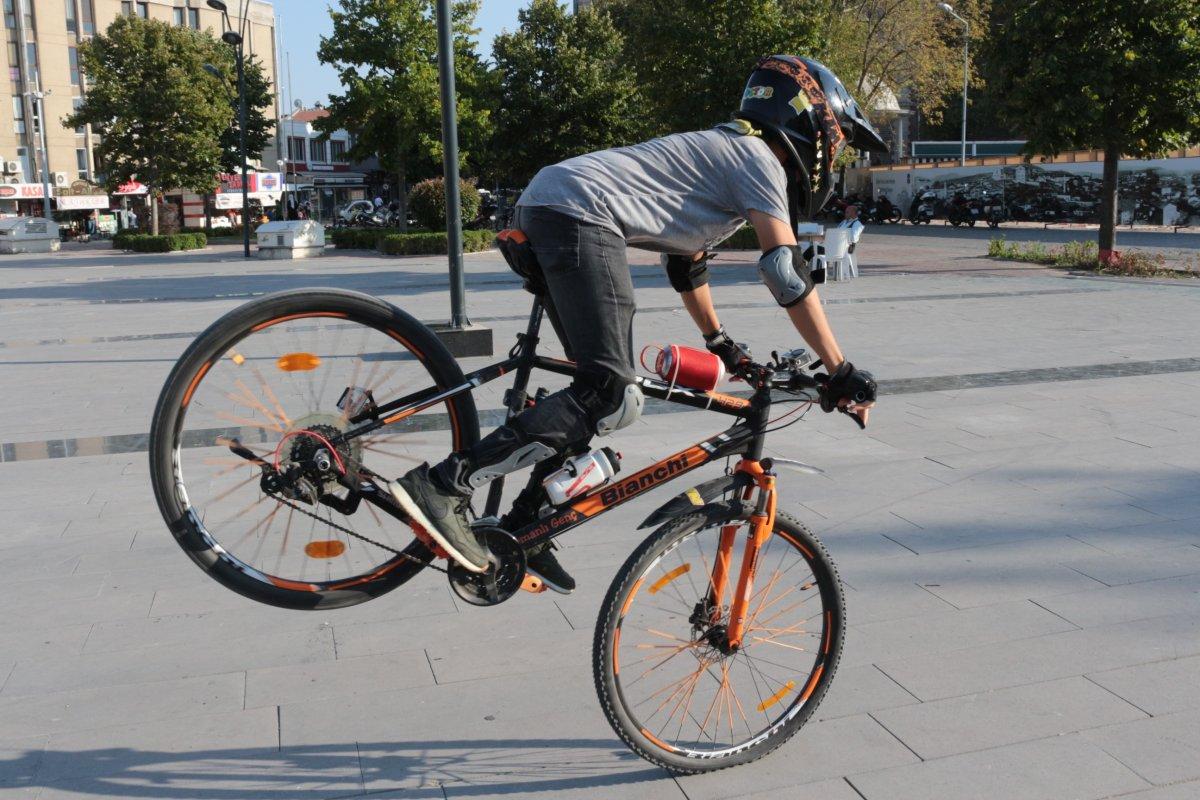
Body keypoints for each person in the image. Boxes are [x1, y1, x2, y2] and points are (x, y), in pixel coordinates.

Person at [391, 55, 885, 592]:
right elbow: (785, 270)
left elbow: (685, 263)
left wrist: (720, 343)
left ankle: (525, 529)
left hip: (554, 205)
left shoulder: (724, 150)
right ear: (812, 125)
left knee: (605, 397)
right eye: (837, 143)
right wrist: (840, 370)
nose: (833, 156)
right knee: (610, 390)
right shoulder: (759, 158)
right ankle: (443, 485)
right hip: (579, 213)